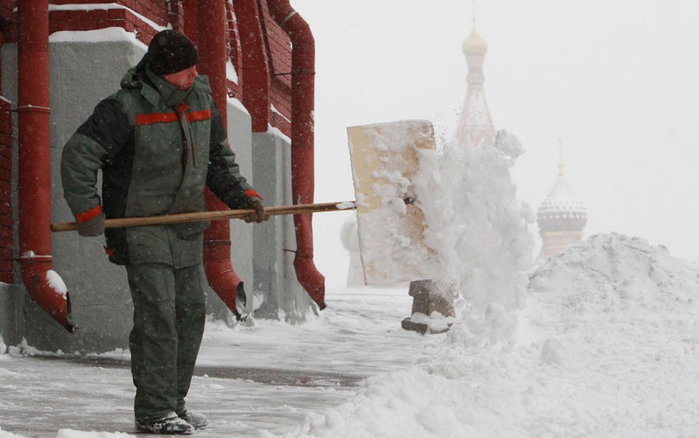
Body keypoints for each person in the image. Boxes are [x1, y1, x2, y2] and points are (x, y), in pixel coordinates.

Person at [61, 30, 268, 434]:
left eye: (194, 65)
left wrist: (243, 196)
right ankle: (154, 411)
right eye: (185, 68)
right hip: (141, 229)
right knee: (159, 318)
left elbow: (218, 160)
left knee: (190, 316)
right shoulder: (123, 108)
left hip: (186, 226)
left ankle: (174, 402)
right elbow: (79, 155)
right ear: (163, 71)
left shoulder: (202, 101)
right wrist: (89, 212)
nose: (195, 72)